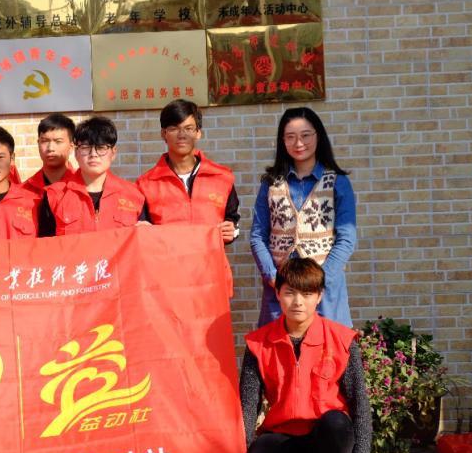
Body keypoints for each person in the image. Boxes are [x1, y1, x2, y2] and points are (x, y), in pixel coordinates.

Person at [239, 258, 371, 453]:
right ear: (278, 294)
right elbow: (247, 407)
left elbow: (361, 408)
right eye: (290, 292)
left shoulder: (341, 340)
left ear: (319, 297)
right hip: (284, 436)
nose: (298, 302)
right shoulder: (258, 344)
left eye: (307, 294)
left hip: (327, 435)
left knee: (337, 422)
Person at [250, 106, 356, 328]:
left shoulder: (337, 182)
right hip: (281, 291)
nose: (299, 143)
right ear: (282, 141)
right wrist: (272, 276)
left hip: (325, 291)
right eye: (290, 137)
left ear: (318, 136)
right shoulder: (271, 183)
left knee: (327, 345)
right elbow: (258, 235)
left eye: (305, 135)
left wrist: (321, 280)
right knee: (279, 346)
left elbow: (347, 237)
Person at [136, 99, 240, 296]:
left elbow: (233, 221)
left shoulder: (222, 178)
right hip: (166, 283)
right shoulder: (145, 184)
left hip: (212, 279)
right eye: (174, 128)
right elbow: (142, 232)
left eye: (189, 128)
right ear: (163, 134)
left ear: (198, 132)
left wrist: (232, 231)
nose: (182, 134)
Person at [38, 116, 146, 237]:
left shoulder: (133, 195)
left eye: (101, 148)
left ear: (113, 153)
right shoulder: (55, 195)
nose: (93, 154)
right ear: (76, 153)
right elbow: (45, 245)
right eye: (86, 148)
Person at [22, 113, 78, 198]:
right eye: (44, 141)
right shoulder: (25, 190)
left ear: (71, 146)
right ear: (38, 143)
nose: (50, 148)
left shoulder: (83, 187)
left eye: (58, 141)